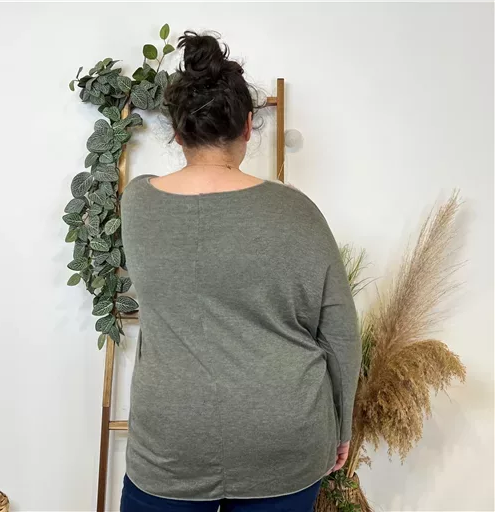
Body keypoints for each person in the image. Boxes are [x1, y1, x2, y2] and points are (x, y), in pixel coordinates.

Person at [120, 30, 362, 512]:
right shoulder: (296, 211)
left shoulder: (138, 202)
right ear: (249, 126)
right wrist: (342, 428)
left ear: (177, 132)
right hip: (285, 436)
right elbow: (340, 333)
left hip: (171, 439)